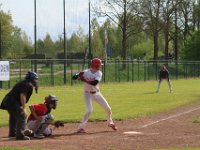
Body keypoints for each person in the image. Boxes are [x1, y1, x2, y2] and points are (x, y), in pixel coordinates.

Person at [72, 58, 117, 133]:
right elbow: (73, 77)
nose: (100, 66)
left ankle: (110, 122)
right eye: (99, 65)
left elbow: (94, 83)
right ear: (96, 65)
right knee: (89, 110)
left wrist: (83, 80)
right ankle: (80, 128)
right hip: (87, 94)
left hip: (96, 93)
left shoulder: (99, 73)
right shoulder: (85, 72)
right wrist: (78, 75)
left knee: (108, 108)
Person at [0, 71, 39, 140]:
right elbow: (22, 95)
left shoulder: (24, 83)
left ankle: (13, 134)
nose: (36, 81)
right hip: (11, 101)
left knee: (14, 116)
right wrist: (24, 108)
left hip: (7, 100)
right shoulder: (28, 85)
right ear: (32, 79)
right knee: (22, 115)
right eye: (35, 79)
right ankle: (20, 135)